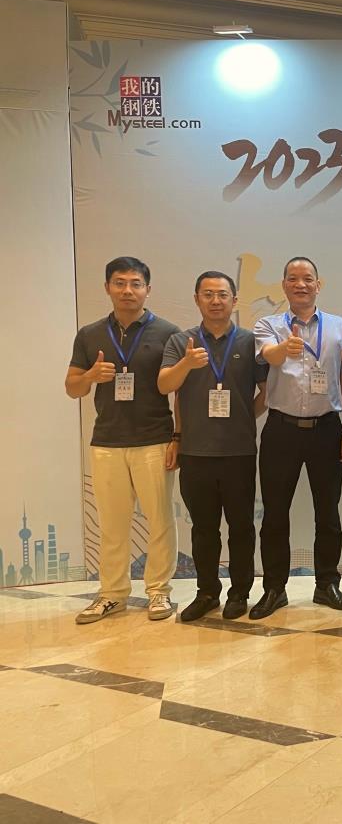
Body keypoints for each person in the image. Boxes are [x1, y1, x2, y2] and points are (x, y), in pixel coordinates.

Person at [66, 256, 180, 623]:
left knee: (160, 520)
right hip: (107, 442)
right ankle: (112, 594)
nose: (127, 290)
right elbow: (72, 387)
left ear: (148, 289)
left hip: (154, 439)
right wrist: (90, 376)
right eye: (120, 283)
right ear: (107, 288)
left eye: (135, 283)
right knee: (112, 524)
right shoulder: (89, 334)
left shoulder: (169, 333)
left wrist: (177, 437)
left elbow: (180, 390)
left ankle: (159, 592)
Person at [251, 257, 342, 619]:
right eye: (293, 279)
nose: (301, 284)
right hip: (281, 429)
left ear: (318, 284)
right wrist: (285, 349)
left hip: (327, 429)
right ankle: (274, 588)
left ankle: (327, 584)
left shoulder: (339, 327)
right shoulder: (268, 324)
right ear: (283, 285)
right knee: (275, 514)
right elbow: (269, 355)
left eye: (307, 279)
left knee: (328, 513)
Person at [159, 271, 267, 621]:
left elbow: (267, 393)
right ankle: (207, 592)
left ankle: (240, 592)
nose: (216, 301)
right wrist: (187, 363)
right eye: (208, 294)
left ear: (234, 300)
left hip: (238, 452)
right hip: (196, 452)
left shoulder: (250, 342)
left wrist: (243, 417)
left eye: (222, 294)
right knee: (203, 529)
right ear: (197, 299)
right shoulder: (181, 341)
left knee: (241, 527)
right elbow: (166, 386)